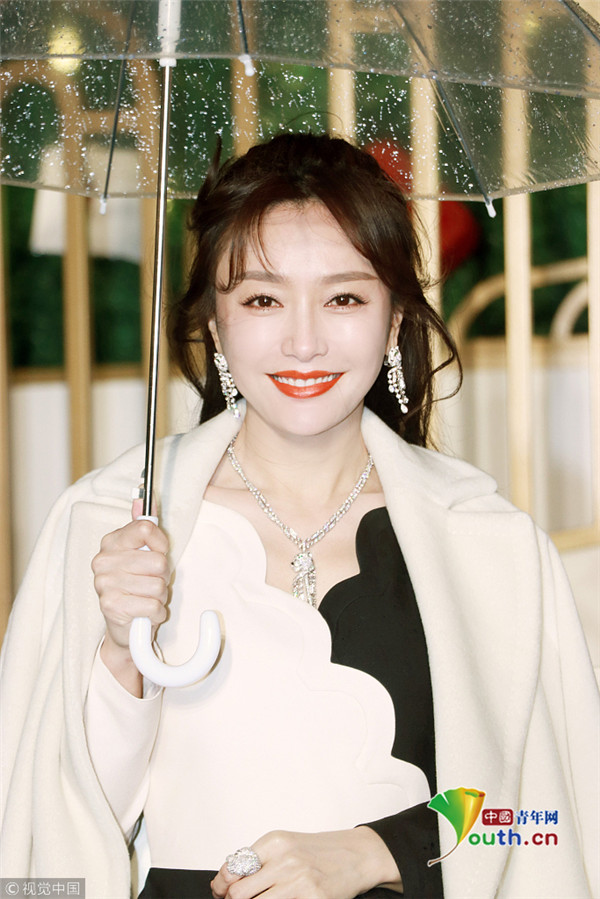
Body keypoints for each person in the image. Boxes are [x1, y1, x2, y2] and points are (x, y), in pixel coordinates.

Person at [1, 133, 598, 899]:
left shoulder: (486, 543)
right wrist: (122, 651)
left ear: (393, 321)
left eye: (344, 297)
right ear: (215, 324)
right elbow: (45, 836)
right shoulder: (108, 524)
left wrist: (375, 851)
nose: (305, 341)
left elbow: (545, 821)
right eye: (262, 299)